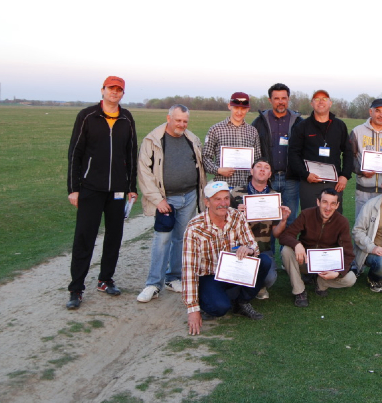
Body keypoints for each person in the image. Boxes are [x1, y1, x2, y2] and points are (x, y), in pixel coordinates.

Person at [66, 76, 138, 310]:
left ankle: (105, 280)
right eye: (111, 88)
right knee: (84, 238)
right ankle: (76, 288)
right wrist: (73, 189)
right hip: (90, 188)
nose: (114, 93)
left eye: (119, 90)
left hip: (117, 189)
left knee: (114, 237)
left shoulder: (126, 118)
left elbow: (131, 154)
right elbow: (75, 153)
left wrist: (131, 187)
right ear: (103, 90)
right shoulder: (87, 116)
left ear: (122, 93)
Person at [136, 105, 206, 303]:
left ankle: (173, 277)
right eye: (178, 120)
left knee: (181, 239)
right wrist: (158, 200)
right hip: (166, 200)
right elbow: (144, 173)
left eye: (185, 121)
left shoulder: (192, 139)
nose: (181, 124)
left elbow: (200, 167)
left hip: (190, 196)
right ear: (169, 118)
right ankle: (153, 284)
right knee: (162, 240)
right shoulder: (152, 140)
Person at [183, 181, 272, 334]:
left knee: (264, 261)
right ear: (207, 202)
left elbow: (253, 245)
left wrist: (249, 249)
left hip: (233, 270)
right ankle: (208, 299)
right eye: (217, 199)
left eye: (226, 198)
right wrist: (192, 310)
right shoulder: (194, 227)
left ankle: (242, 302)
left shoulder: (237, 216)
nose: (223, 203)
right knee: (219, 308)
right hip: (210, 275)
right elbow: (189, 270)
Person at [279, 188, 356, 307]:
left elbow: (348, 253)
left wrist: (337, 273)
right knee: (286, 250)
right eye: (325, 202)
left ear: (337, 205)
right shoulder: (306, 214)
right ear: (318, 202)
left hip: (327, 264)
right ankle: (299, 291)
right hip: (305, 260)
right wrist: (297, 244)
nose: (328, 207)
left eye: (332, 204)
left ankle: (321, 283)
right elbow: (285, 236)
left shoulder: (342, 222)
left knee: (350, 279)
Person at [231, 158, 292, 300]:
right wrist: (235, 213)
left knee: (269, 279)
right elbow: (223, 225)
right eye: (258, 166)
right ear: (251, 171)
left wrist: (283, 220)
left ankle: (257, 286)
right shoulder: (236, 193)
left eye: (266, 167)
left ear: (270, 174)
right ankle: (242, 287)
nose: (262, 169)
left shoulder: (275, 197)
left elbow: (276, 233)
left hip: (263, 250)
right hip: (238, 248)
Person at [288, 90, 353, 212]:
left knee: (333, 218)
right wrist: (305, 174)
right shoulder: (302, 126)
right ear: (312, 103)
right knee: (309, 218)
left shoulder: (339, 126)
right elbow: (293, 153)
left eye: (324, 99)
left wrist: (345, 176)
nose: (321, 102)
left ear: (330, 103)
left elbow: (348, 152)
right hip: (309, 183)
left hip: (333, 183)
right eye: (317, 99)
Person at [251, 83, 303, 231]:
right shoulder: (259, 122)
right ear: (270, 100)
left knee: (290, 219)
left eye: (284, 98)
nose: (281, 102)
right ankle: (269, 247)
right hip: (268, 179)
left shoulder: (299, 122)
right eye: (276, 98)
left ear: (288, 99)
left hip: (291, 178)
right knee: (267, 220)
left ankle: (287, 247)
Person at [202, 92, 263, 189]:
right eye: (236, 108)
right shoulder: (215, 129)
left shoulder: (252, 131)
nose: (239, 112)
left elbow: (257, 159)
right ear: (229, 106)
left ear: (248, 109)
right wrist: (218, 170)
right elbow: (206, 157)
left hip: (246, 187)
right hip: (223, 187)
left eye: (243, 109)